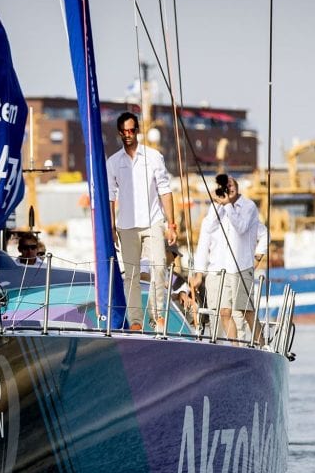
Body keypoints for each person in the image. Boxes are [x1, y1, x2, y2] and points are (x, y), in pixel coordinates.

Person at [106, 112, 177, 332]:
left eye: (132, 130)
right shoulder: (113, 162)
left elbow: (165, 190)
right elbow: (110, 196)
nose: (128, 135)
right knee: (132, 276)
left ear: (138, 130)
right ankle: (136, 321)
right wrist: (111, 228)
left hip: (154, 220)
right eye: (124, 131)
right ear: (119, 132)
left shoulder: (154, 156)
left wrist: (171, 224)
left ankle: (157, 318)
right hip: (126, 225)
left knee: (158, 268)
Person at [190, 174, 267, 342]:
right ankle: (235, 347)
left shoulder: (248, 207)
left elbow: (242, 227)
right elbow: (207, 231)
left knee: (247, 311)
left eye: (231, 185)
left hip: (240, 268)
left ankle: (262, 345)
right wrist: (199, 273)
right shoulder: (215, 208)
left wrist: (259, 254)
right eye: (225, 186)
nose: (228, 189)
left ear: (237, 187)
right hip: (218, 270)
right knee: (224, 311)